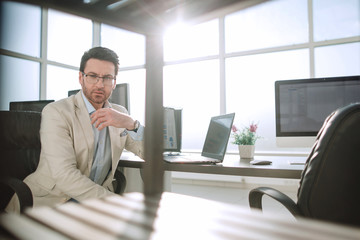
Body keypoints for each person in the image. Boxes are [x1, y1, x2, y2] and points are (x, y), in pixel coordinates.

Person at [6, 47, 144, 212]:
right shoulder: (57, 112)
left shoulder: (119, 113)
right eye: (93, 76)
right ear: (81, 77)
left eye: (107, 78)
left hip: (92, 201)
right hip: (53, 201)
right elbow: (65, 175)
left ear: (114, 82)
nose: (100, 84)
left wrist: (131, 124)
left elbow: (152, 155)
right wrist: (115, 203)